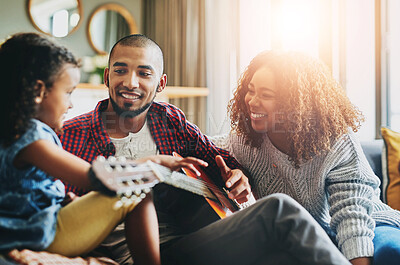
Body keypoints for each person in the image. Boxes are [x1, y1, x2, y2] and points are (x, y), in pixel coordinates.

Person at [59, 34, 351, 265]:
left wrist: (237, 175)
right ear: (107, 75)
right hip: (143, 254)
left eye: (144, 73)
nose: (130, 82)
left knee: (282, 254)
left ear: (160, 84)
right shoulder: (71, 135)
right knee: (279, 209)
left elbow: (219, 157)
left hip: (189, 241)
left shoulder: (170, 121)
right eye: (120, 70)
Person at [0, 32, 209, 265]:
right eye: (68, 92)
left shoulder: (13, 133)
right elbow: (94, 177)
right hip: (45, 236)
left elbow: (26, 192)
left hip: (42, 226)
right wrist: (153, 163)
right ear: (39, 92)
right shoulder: (33, 140)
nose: (70, 104)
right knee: (137, 190)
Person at [213, 50, 400, 265]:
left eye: (266, 95)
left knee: (392, 253)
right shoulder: (245, 140)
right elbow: (206, 145)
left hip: (371, 225)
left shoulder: (335, 141)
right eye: (251, 90)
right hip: (305, 237)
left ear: (293, 103)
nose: (252, 102)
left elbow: (353, 219)